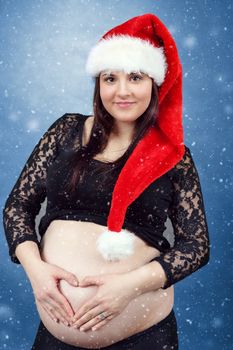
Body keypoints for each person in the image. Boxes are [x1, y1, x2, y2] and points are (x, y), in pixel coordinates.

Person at [2, 13, 210, 350]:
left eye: (136, 77)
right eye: (110, 78)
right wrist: (36, 272)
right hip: (57, 336)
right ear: (98, 84)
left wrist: (129, 287)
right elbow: (18, 206)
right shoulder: (65, 131)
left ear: (155, 85)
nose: (122, 91)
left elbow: (196, 247)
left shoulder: (174, 156)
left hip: (144, 337)